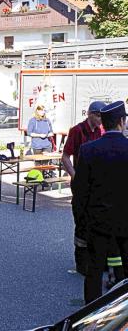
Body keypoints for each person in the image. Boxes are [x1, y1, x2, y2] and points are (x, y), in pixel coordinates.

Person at [72, 101, 128, 304]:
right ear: (122, 121)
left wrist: (82, 224)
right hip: (126, 226)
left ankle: (91, 319)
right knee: (125, 275)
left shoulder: (88, 150)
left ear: (103, 123)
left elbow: (79, 194)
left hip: (97, 226)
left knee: (93, 274)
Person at [62, 101, 105, 276]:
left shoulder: (102, 131)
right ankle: (81, 262)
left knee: (95, 220)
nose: (101, 119)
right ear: (91, 114)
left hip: (96, 184)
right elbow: (65, 157)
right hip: (81, 184)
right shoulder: (77, 131)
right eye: (99, 116)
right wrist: (75, 175)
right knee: (81, 221)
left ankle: (94, 258)